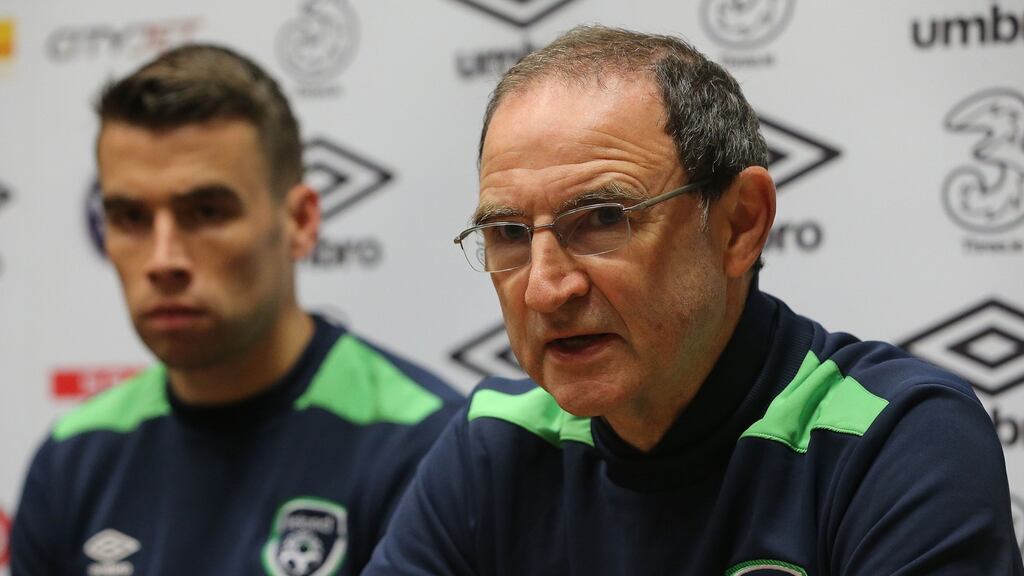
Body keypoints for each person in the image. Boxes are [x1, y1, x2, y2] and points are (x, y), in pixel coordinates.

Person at [365, 25, 1023, 575]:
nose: (544, 287)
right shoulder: (495, 443)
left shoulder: (893, 440)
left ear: (739, 224)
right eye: (508, 233)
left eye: (602, 218)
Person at [11, 44, 463, 576]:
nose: (163, 260)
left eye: (205, 212)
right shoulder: (74, 458)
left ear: (299, 222)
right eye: (130, 217)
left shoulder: (423, 445)